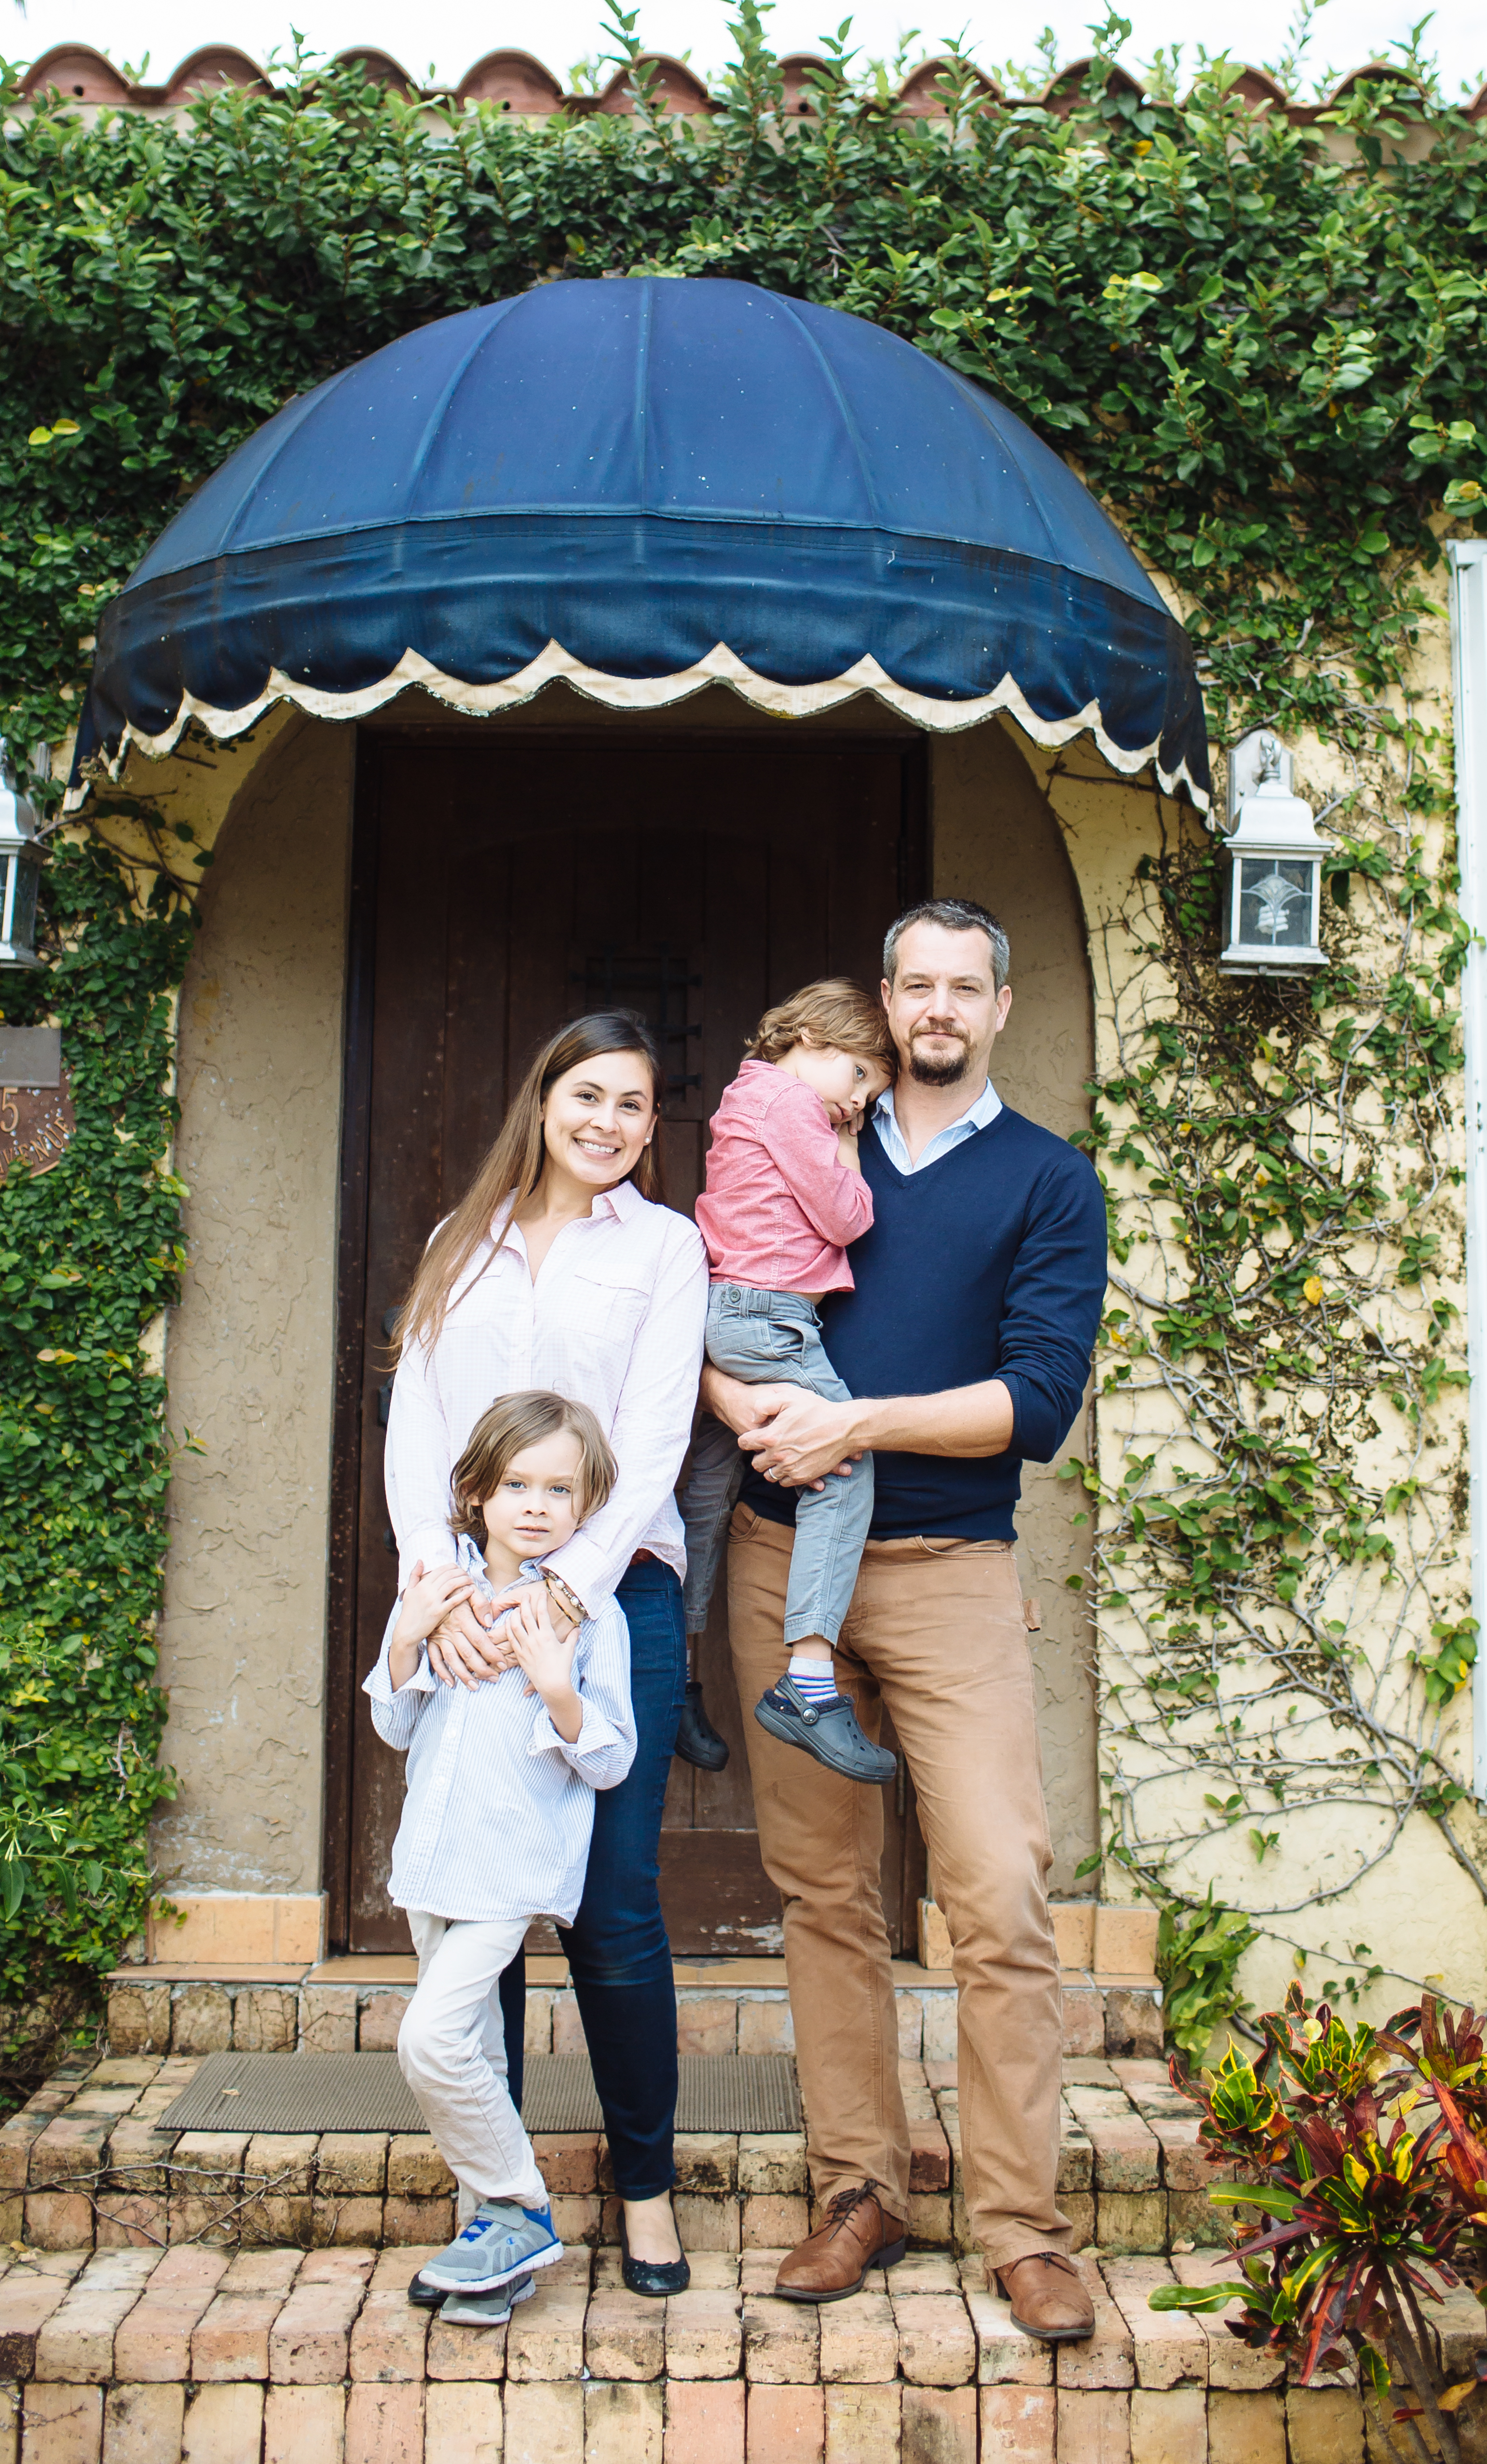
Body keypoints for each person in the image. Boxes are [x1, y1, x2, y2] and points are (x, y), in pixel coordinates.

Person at [703, 899, 1107, 2342]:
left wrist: (854, 1424)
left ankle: (1021, 2225)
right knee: (824, 1893)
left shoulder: (1050, 1182)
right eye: (915, 985)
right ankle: (858, 2189)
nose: (937, 1009)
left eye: (964, 987)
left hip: (946, 1572)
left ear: (1002, 1006)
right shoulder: (812, 1127)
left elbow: (1038, 1401)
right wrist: (745, 1406)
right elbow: (711, 1297)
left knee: (998, 1891)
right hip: (779, 1562)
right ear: (884, 1000)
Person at [385, 1010, 707, 2297]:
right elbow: (418, 1426)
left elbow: (658, 1428)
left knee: (615, 1909)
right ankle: (497, 2208)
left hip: (614, 1602)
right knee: (479, 1899)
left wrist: (564, 1593)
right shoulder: (455, 1248)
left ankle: (645, 2190)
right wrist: (441, 1584)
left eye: (634, 1105)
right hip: (464, 1608)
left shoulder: (667, 1249)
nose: (610, 1124)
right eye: (590, 1096)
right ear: (544, 1100)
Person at [366, 1390, 636, 2324]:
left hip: (509, 1870)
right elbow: (394, 1723)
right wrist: (407, 1636)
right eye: (516, 1483)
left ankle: (519, 2205)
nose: (535, 1503)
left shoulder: (589, 1617)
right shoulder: (443, 1596)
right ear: (477, 1493)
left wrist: (560, 1690)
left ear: (588, 1506)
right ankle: (493, 2260)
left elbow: (611, 1759)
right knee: (473, 2048)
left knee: (429, 2041)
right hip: (430, 1863)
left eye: (559, 1488)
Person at [676, 979, 897, 1785]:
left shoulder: (748, 1094)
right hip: (769, 1317)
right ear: (813, 1036)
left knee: (706, 1491)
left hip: (726, 1310)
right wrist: (850, 1142)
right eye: (863, 1077)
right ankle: (809, 1682)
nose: (861, 1101)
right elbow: (848, 1217)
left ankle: (675, 1680)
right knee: (842, 1463)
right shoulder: (792, 1107)